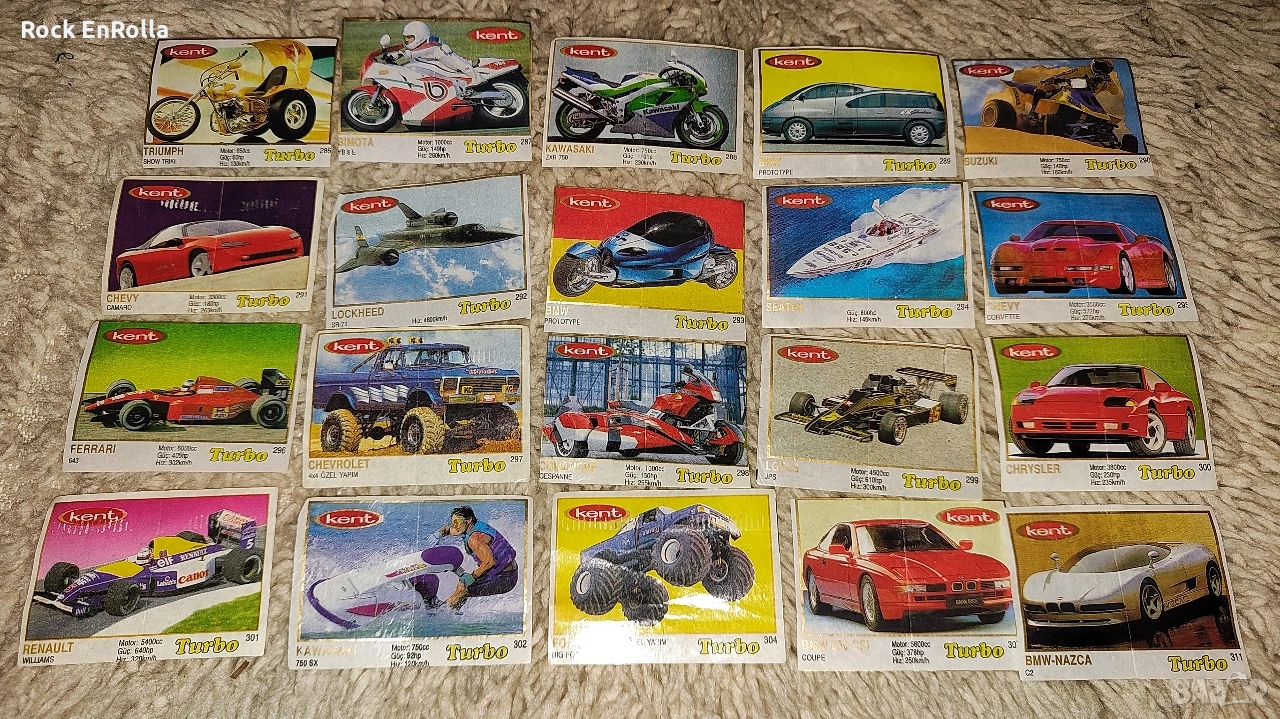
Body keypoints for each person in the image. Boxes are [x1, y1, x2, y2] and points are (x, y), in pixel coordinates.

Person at [436, 505, 518, 609]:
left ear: (468, 519)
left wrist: (473, 576)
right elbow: (448, 529)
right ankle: (452, 611)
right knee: (463, 587)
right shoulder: (471, 526)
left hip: (505, 579)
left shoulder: (475, 537)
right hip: (509, 573)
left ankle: (440, 611)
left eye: (457, 521)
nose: (455, 525)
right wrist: (439, 533)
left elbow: (489, 562)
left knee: (463, 588)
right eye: (453, 522)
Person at [1026, 58, 1119, 126]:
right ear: (1094, 65)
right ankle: (1033, 113)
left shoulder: (1106, 81)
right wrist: (1052, 79)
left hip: (1087, 100)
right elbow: (1066, 74)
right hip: (1071, 93)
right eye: (1099, 67)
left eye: (1105, 70)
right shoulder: (1082, 70)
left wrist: (1109, 81)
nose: (1101, 71)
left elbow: (1115, 92)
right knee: (1042, 87)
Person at [390, 21, 478, 83]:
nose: (406, 40)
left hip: (453, 71)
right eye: (405, 37)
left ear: (419, 36)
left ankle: (475, 77)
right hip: (436, 74)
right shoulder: (417, 49)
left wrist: (406, 54)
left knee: (443, 50)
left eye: (409, 37)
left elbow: (430, 48)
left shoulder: (432, 41)